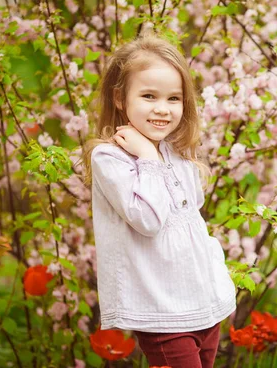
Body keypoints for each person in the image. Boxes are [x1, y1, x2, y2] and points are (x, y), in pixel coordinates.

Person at [83, 33, 237, 368]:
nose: (162, 109)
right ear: (121, 98)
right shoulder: (112, 158)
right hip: (163, 314)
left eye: (173, 99)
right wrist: (147, 157)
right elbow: (149, 221)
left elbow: (192, 218)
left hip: (204, 306)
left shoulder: (174, 152)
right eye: (149, 96)